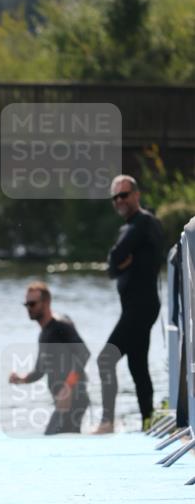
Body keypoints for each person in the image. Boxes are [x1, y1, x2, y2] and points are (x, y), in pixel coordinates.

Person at [93, 174, 164, 433]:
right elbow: (113, 267)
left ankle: (107, 422)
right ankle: (148, 421)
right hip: (135, 307)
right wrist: (119, 262)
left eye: (124, 194)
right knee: (138, 365)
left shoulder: (144, 222)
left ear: (136, 195)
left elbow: (115, 257)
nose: (120, 200)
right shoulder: (129, 228)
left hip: (141, 307)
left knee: (105, 359)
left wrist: (120, 261)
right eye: (115, 197)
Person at [9, 282, 90, 435]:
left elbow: (84, 353)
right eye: (26, 304)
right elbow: (40, 371)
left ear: (46, 303)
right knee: (61, 442)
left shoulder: (61, 325)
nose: (28, 308)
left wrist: (67, 388)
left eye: (32, 304)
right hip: (63, 403)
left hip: (74, 398)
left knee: (53, 439)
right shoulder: (44, 334)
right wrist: (21, 378)